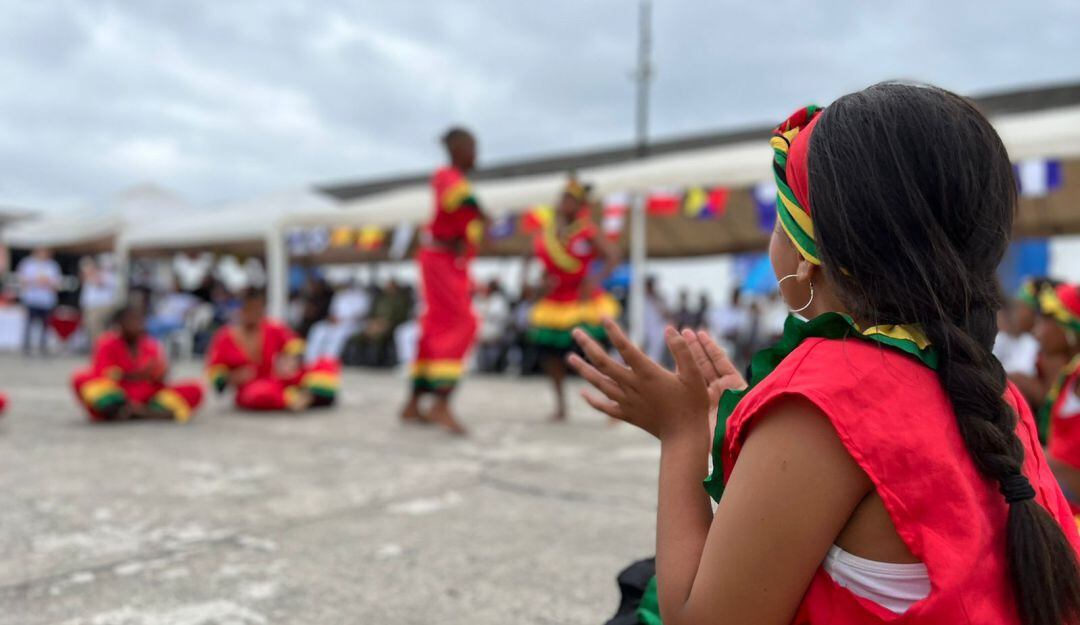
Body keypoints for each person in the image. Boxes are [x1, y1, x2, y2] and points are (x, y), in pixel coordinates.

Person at [573, 85, 1080, 625]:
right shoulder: (988, 388)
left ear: (806, 254)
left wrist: (682, 434)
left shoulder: (828, 398)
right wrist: (765, 433)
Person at [398, 127, 486, 434]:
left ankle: (413, 404)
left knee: (435, 327)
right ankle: (441, 403)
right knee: (462, 324)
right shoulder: (447, 176)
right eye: (473, 147)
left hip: (449, 263)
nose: (477, 154)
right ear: (458, 148)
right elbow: (464, 203)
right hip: (439, 260)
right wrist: (482, 214)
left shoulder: (455, 180)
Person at [526, 179, 620, 420]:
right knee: (551, 356)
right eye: (563, 199)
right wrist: (535, 282)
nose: (564, 204)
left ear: (580, 205)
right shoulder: (548, 233)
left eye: (570, 200)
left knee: (596, 354)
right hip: (554, 302)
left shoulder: (587, 230)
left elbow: (613, 255)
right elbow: (529, 258)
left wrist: (594, 279)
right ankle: (560, 406)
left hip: (582, 301)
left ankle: (614, 405)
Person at [207, 288, 339, 412]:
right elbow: (216, 374)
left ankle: (306, 397)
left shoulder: (273, 328)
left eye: (258, 309)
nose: (254, 314)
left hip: (283, 378)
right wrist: (231, 378)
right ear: (239, 310)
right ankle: (297, 398)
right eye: (249, 309)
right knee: (256, 395)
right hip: (256, 387)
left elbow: (296, 345)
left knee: (326, 363)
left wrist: (291, 360)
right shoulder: (224, 338)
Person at [71, 304, 203, 422]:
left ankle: (143, 412)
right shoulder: (106, 343)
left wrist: (161, 372)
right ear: (120, 324)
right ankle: (125, 411)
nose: (137, 324)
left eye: (139, 320)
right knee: (81, 379)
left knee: (195, 389)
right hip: (119, 395)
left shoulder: (150, 344)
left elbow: (158, 378)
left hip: (149, 396)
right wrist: (137, 374)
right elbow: (103, 374)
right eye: (131, 320)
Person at [1035, 283, 1080, 512]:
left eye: (1046, 321)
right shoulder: (1072, 373)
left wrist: (1033, 457)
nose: (1038, 332)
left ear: (1068, 326)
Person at [305, 279, 370, 363]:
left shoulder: (362, 296)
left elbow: (362, 315)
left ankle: (329, 361)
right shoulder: (340, 296)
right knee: (318, 329)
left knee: (338, 334)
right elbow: (332, 313)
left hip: (353, 325)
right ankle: (310, 360)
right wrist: (333, 319)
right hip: (336, 323)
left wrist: (345, 319)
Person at [16, 247, 62, 356]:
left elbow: (57, 283)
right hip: (31, 299)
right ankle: (26, 348)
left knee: (45, 326)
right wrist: (35, 280)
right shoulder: (27, 263)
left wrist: (47, 281)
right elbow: (21, 279)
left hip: (46, 300)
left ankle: (43, 347)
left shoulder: (53, 265)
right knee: (28, 325)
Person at [78, 256, 118, 348]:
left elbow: (100, 282)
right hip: (89, 308)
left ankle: (102, 347)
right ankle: (97, 347)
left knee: (96, 325)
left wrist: (92, 274)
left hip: (102, 307)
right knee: (89, 328)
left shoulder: (106, 275)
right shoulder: (88, 278)